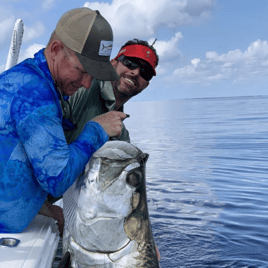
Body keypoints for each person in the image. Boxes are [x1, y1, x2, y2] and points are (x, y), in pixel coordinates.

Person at [0, 7, 127, 233]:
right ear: (56, 49)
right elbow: (57, 179)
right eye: (82, 70)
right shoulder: (35, 94)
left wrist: (39, 205)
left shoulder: (31, 79)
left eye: (93, 75)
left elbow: (12, 159)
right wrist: (96, 129)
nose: (87, 84)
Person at [64, 38, 159, 144]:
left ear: (145, 85)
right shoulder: (78, 88)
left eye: (145, 72)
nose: (136, 73)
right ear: (113, 63)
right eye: (130, 63)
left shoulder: (122, 135)